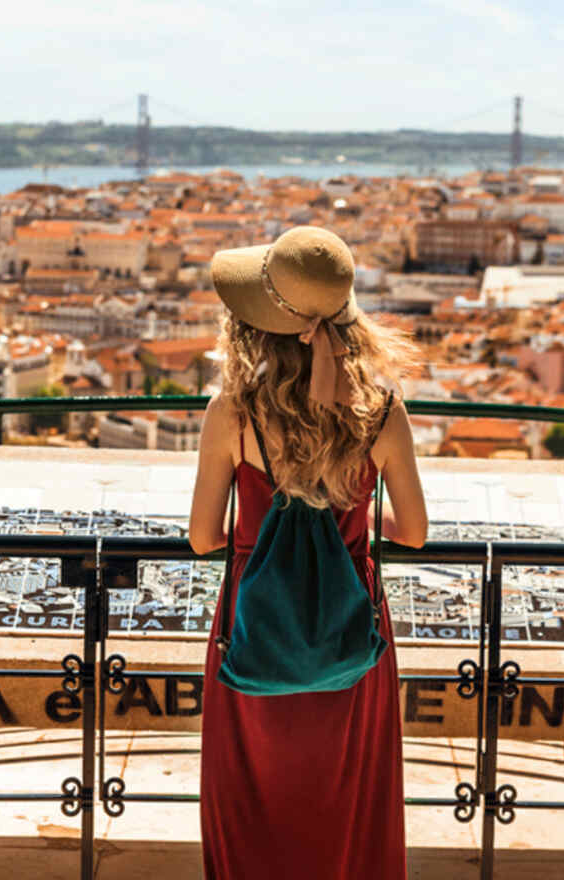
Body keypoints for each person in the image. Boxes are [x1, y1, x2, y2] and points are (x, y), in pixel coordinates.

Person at [189, 226, 428, 879]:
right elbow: (413, 531)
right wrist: (333, 503)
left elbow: (204, 537)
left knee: (251, 800)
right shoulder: (381, 412)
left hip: (252, 623)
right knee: (348, 800)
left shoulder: (230, 412)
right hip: (351, 629)